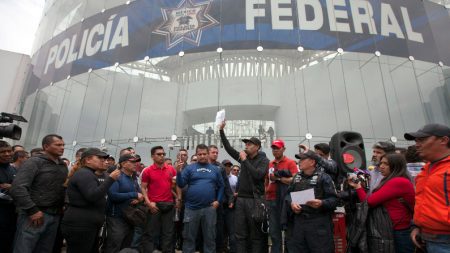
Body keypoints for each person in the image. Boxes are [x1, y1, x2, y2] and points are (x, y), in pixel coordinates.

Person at [10, 135, 67, 253]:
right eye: (58, 145)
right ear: (46, 146)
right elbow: (18, 188)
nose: (62, 147)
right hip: (34, 215)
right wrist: (32, 210)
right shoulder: (34, 162)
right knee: (24, 249)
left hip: (55, 215)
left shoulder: (62, 165)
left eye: (63, 145)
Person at [348, 153, 415, 253]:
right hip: (392, 230)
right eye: (381, 163)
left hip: (399, 231)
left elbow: (369, 202)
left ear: (396, 165)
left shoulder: (398, 181)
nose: (381, 166)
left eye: (386, 164)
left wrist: (358, 187)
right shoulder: (390, 180)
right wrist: (358, 187)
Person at [219, 121, 269, 253]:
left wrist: (245, 160)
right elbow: (229, 148)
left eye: (249, 144)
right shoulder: (243, 158)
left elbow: (258, 175)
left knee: (255, 236)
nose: (246, 146)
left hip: (254, 200)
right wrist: (221, 131)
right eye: (245, 144)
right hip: (240, 200)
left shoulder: (263, 160)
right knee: (240, 234)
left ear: (257, 147)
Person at [61, 148, 121, 253]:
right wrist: (110, 179)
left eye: (104, 158)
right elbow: (93, 195)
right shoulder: (84, 174)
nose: (103, 160)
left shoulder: (89, 173)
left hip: (88, 224)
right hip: (80, 225)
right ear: (88, 160)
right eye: (99, 157)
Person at [405, 124, 450, 252]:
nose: (417, 144)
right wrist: (416, 226)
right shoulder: (426, 169)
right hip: (426, 240)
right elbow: (423, 202)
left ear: (443, 140)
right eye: (416, 141)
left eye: (422, 140)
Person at [284, 150, 338, 253]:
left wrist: (321, 203)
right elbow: (287, 195)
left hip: (318, 223)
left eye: (302, 159)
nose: (299, 161)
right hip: (299, 224)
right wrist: (292, 204)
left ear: (312, 162)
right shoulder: (296, 178)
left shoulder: (324, 177)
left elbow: (335, 200)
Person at [176, 144, 224, 253]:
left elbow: (222, 186)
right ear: (196, 155)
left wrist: (218, 201)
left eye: (204, 154)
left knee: (210, 238)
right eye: (199, 154)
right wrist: (178, 172)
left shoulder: (215, 169)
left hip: (209, 209)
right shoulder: (189, 168)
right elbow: (181, 184)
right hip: (191, 208)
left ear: (208, 154)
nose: (202, 156)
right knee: (189, 238)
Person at [141, 146, 178, 253]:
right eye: (159, 154)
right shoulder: (147, 171)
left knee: (168, 233)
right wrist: (148, 203)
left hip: (169, 205)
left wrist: (178, 199)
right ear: (152, 156)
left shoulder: (171, 169)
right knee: (150, 233)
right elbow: (143, 188)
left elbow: (175, 186)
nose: (162, 156)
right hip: (154, 206)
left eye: (163, 154)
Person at [105, 154, 143, 253]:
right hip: (116, 218)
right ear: (123, 164)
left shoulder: (133, 178)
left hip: (130, 218)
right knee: (114, 246)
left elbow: (139, 195)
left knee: (126, 248)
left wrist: (139, 199)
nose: (136, 164)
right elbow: (113, 195)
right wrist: (133, 194)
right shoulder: (116, 176)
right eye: (132, 162)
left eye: (136, 162)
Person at [266, 139, 298, 253]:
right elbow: (267, 181)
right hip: (272, 199)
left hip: (286, 200)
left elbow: (295, 180)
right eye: (273, 148)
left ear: (283, 149)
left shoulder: (290, 162)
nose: (275, 151)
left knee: (289, 231)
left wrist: (279, 178)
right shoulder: (270, 163)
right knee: (274, 233)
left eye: (277, 148)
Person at [208, 145, 234, 253]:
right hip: (204, 202)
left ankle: (218, 249)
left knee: (219, 229)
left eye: (216, 152)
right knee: (206, 229)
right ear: (208, 153)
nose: (215, 154)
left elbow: (226, 185)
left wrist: (230, 199)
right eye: (213, 152)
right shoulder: (201, 166)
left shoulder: (221, 168)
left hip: (218, 203)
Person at [0, 141, 16, 253]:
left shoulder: (13, 169)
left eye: (9, 151)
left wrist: (11, 187)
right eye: (3, 152)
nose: (7, 154)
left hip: (11, 213)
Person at [222, 159, 237, 253]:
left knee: (232, 230)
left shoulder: (235, 178)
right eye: (226, 165)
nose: (227, 167)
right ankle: (223, 248)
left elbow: (238, 190)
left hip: (231, 207)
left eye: (229, 165)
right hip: (221, 205)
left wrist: (234, 195)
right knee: (222, 231)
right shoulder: (219, 176)